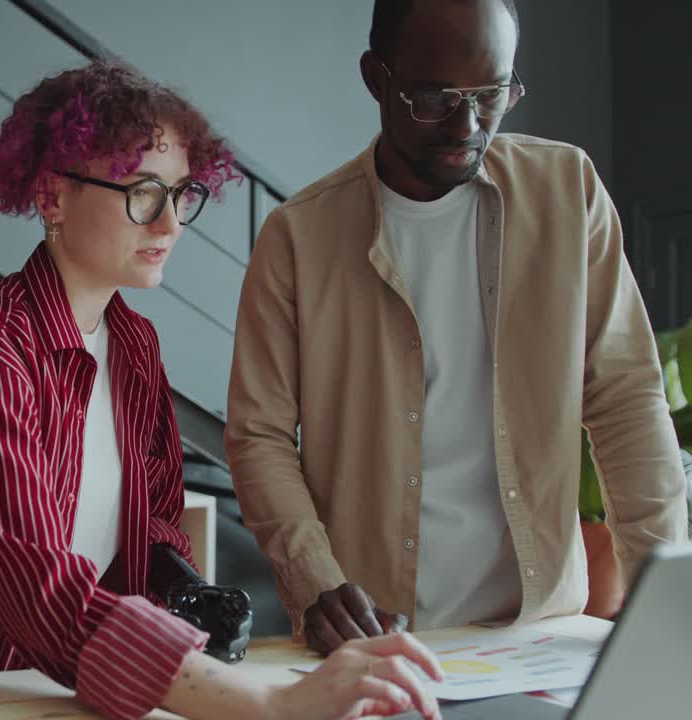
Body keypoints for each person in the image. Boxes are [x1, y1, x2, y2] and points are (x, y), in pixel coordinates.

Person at [0, 60, 443, 720]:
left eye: (180, 195)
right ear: (51, 196)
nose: (170, 225)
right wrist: (271, 702)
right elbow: (43, 591)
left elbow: (149, 523)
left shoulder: (133, 346)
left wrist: (184, 588)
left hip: (49, 693)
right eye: (143, 194)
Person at [226, 0, 688, 656]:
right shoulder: (298, 237)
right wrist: (316, 582)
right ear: (376, 79)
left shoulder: (567, 193)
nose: (468, 125)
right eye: (435, 98)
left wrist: (663, 604)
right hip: (372, 646)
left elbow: (625, 401)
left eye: (491, 93)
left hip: (537, 639)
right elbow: (259, 436)